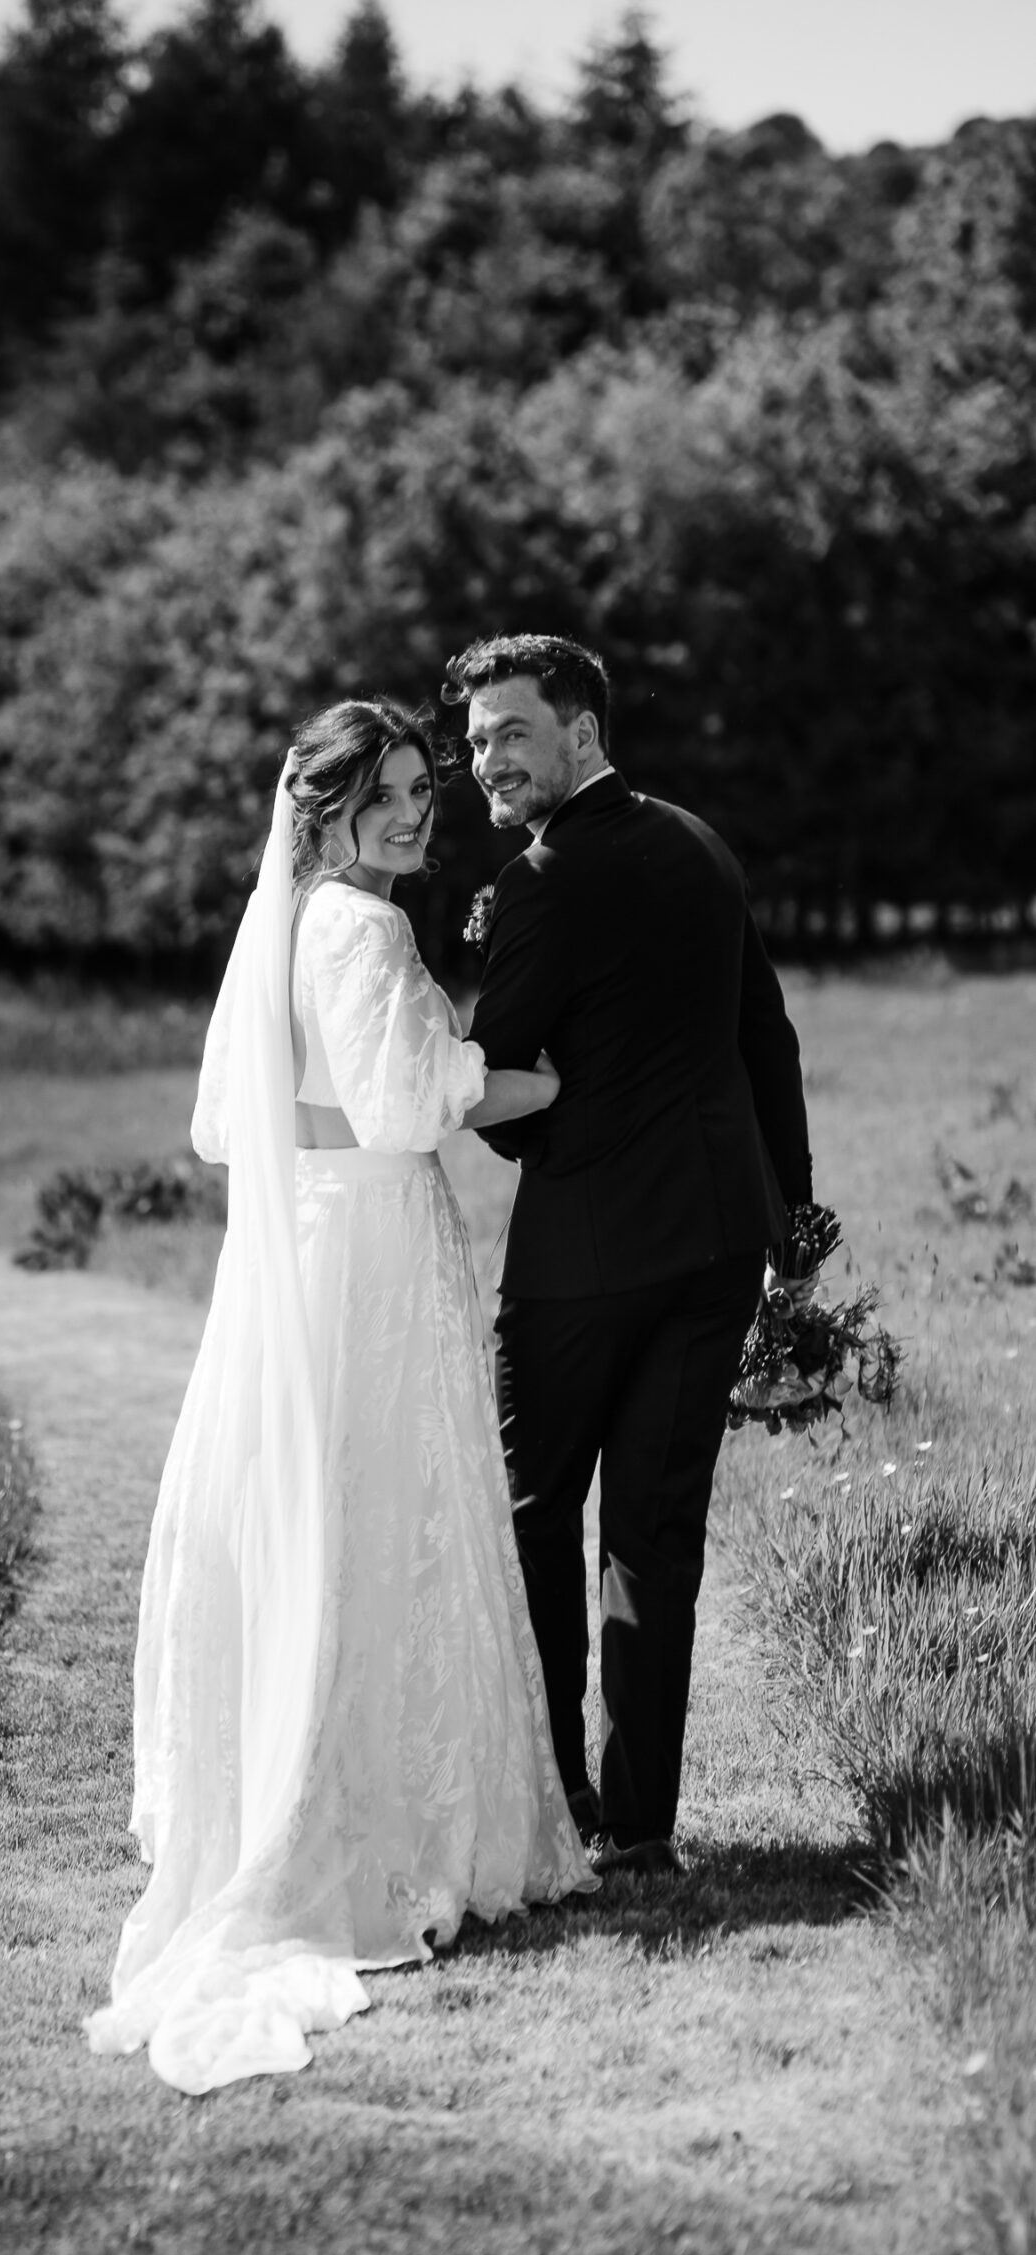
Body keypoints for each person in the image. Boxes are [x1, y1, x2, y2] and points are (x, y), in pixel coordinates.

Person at [86, 698, 596, 2097]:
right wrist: (529, 1079)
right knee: (389, 1516)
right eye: (386, 794)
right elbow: (399, 1105)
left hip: (294, 1249)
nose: (414, 813)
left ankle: (292, 1797)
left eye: (423, 789)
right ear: (321, 806)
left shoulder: (282, 920)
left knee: (315, 1517)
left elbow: (215, 1124)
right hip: (369, 1249)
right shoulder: (361, 928)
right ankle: (384, 1829)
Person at [444, 634, 812, 1876]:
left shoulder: (545, 878)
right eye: (479, 737)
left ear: (582, 731)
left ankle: (561, 1805)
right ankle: (641, 1825)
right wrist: (793, 1221)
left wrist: (545, 1129)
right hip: (718, 1241)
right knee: (656, 1530)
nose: (487, 758)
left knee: (540, 1517)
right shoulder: (702, 842)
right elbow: (768, 1034)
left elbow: (497, 1079)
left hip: (582, 1259)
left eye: (512, 732)